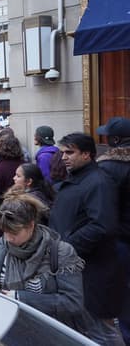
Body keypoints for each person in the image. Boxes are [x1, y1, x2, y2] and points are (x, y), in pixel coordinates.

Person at [49, 133, 124, 345]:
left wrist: (65, 247)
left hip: (93, 270)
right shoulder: (77, 179)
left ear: (87, 154)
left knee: (100, 331)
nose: (63, 157)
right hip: (76, 269)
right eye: (62, 152)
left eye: (70, 152)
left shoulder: (99, 182)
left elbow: (101, 225)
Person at [0, 191, 87, 334]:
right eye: (4, 231)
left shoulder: (61, 252)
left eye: (14, 233)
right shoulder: (0, 246)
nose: (8, 238)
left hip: (47, 334)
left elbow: (72, 302)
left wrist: (20, 298)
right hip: (9, 327)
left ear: (31, 225)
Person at [95, 117, 130, 344]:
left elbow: (100, 210)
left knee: (122, 293)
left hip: (120, 240)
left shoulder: (107, 168)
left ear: (115, 140)